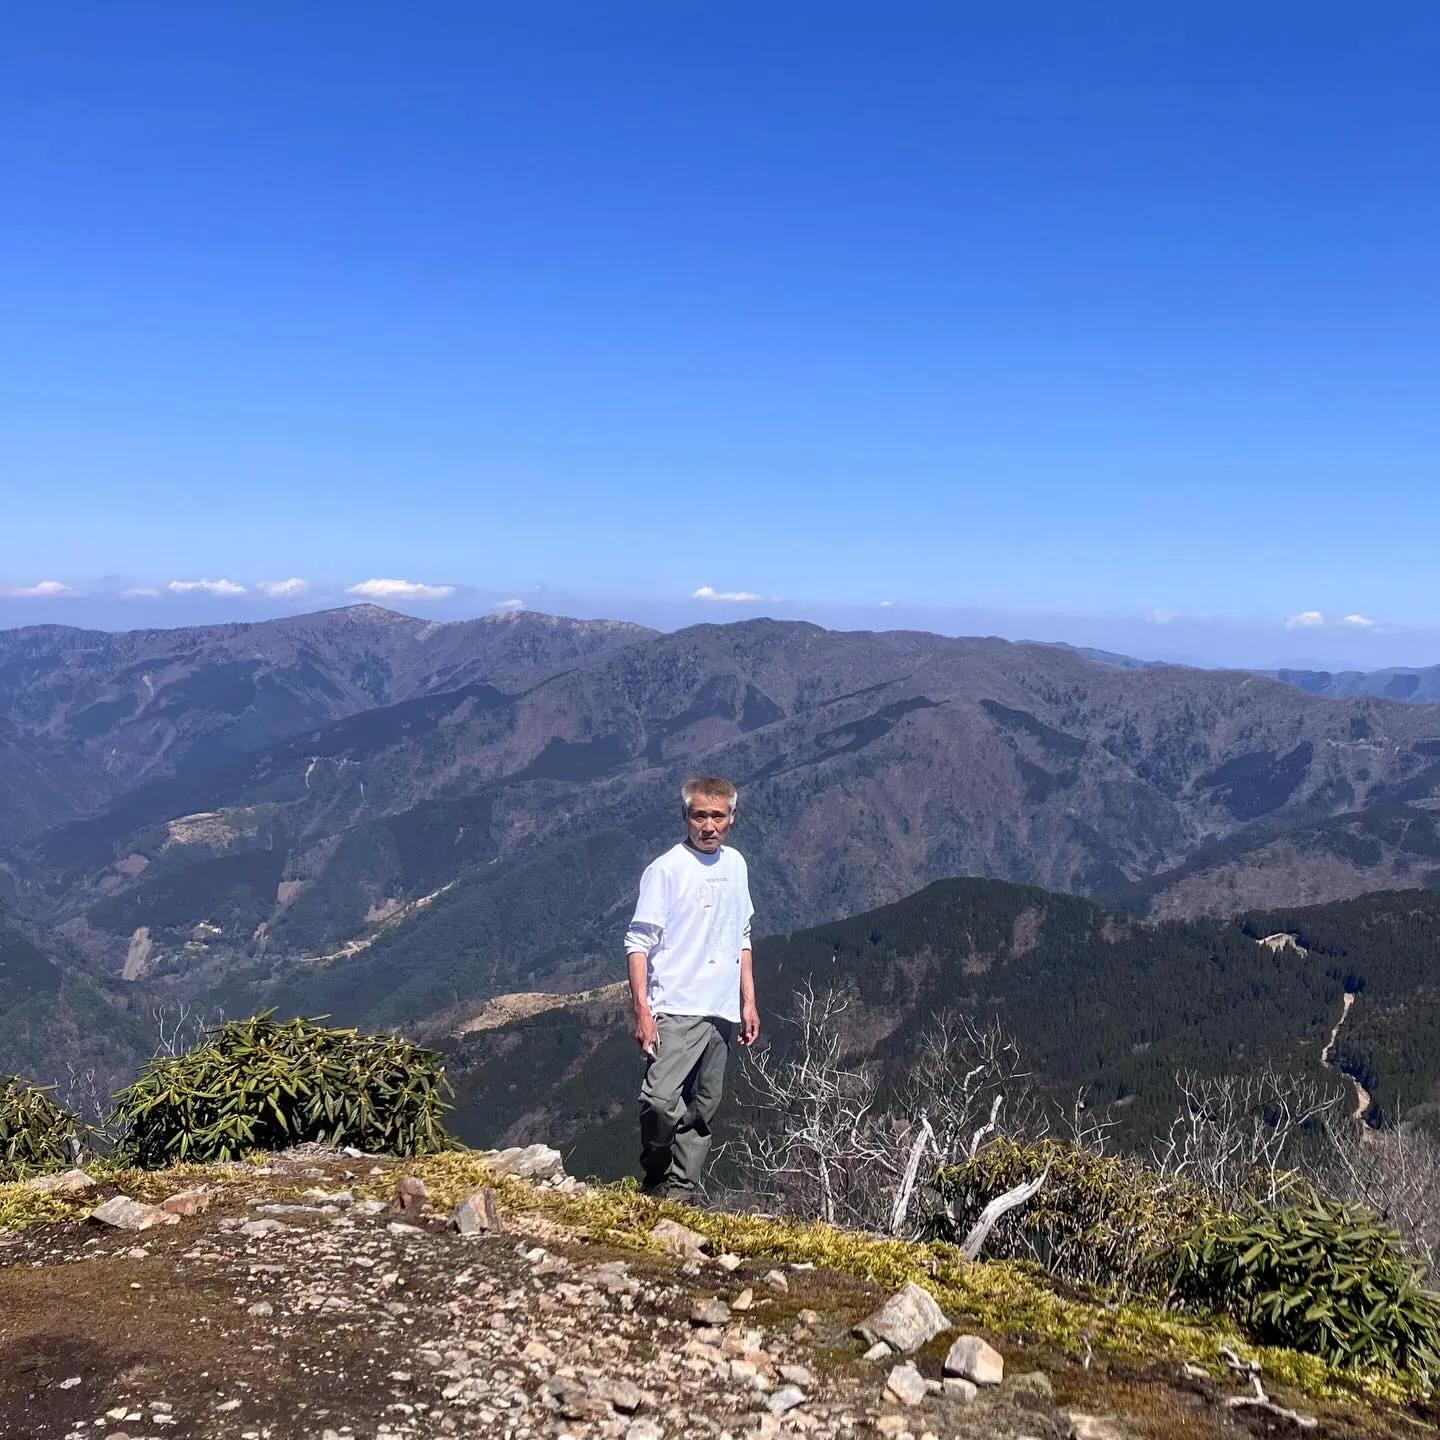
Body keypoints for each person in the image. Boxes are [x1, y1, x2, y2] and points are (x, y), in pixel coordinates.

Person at [624, 774, 760, 1200]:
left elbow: (742, 933)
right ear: (685, 816)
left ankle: (681, 1193)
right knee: (660, 1101)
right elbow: (637, 943)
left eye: (717, 816)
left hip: (720, 1011)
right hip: (676, 1006)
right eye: (699, 815)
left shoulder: (735, 865)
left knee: (703, 1108)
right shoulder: (666, 870)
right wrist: (643, 1011)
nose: (708, 825)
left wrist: (749, 1003)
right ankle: (656, 1173)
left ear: (732, 818)